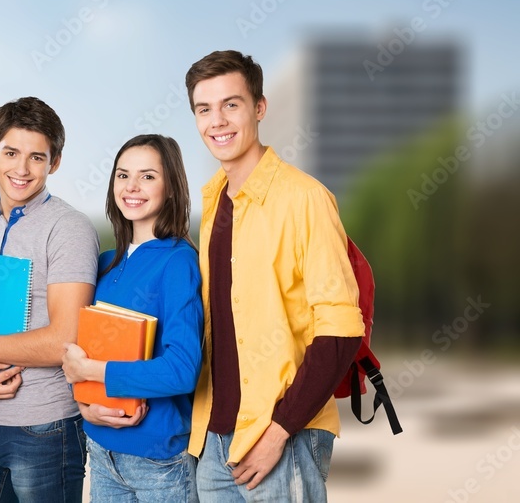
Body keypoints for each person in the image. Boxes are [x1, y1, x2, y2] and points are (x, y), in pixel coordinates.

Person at [184, 51, 365, 501]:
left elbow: (340, 331)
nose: (217, 121)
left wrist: (278, 432)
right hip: (216, 440)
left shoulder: (305, 198)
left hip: (284, 436)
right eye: (204, 109)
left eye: (232, 104)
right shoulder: (213, 204)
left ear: (259, 108)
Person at [0, 96, 99, 502]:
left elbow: (65, 338)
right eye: (11, 153)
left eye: (37, 157)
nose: (21, 169)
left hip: (45, 429)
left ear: (55, 162)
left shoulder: (68, 228)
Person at [61, 133, 204, 502]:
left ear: (171, 187)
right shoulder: (105, 262)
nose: (132, 187)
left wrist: (93, 372)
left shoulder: (178, 261)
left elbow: (182, 369)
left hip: (158, 464)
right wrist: (86, 408)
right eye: (123, 175)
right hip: (101, 452)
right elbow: (79, 351)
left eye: (148, 176)